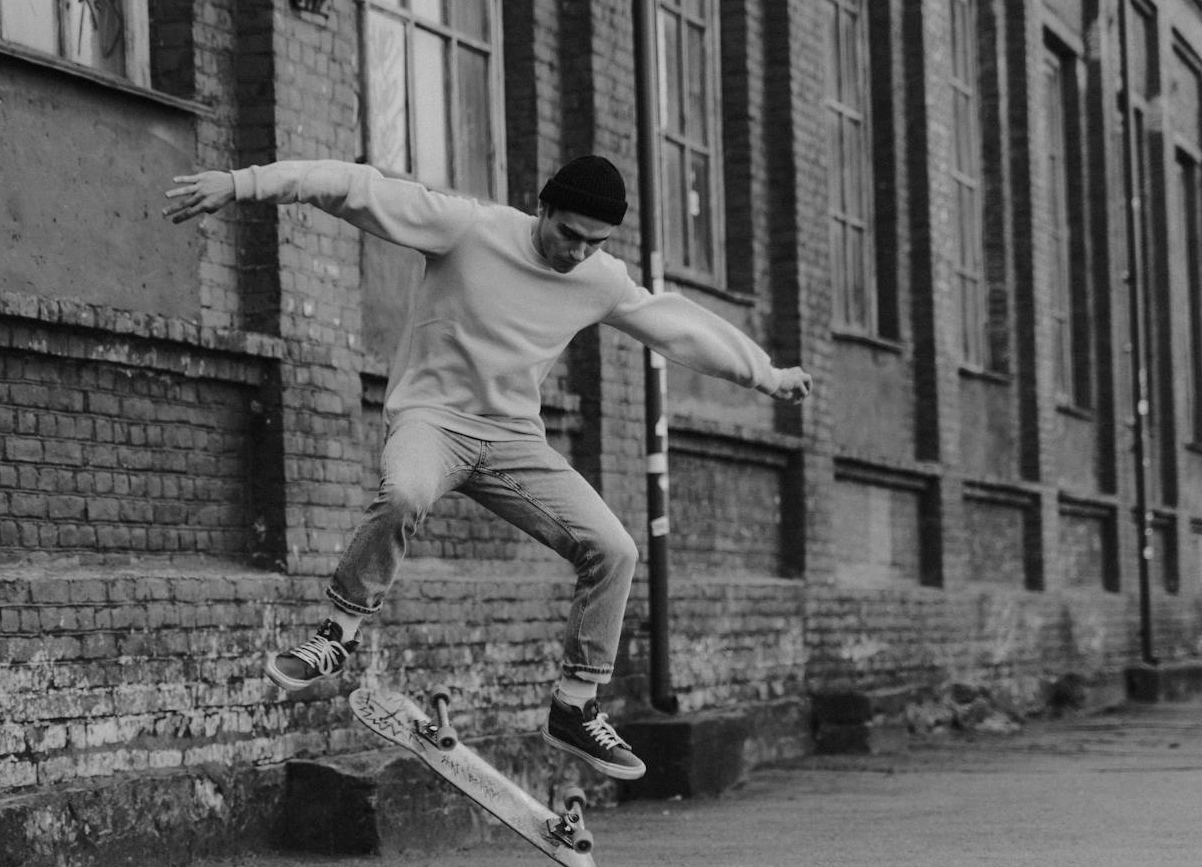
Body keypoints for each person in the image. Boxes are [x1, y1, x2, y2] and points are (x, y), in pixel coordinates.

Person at [164, 155, 811, 780]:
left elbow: (677, 326)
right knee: (405, 493)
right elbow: (352, 188)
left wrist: (767, 376)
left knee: (614, 548)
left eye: (594, 242)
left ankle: (575, 706)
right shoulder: (468, 229)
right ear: (543, 207)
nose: (576, 252)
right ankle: (338, 630)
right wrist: (243, 183)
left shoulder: (600, 279)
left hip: (511, 442)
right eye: (568, 234)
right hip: (433, 421)